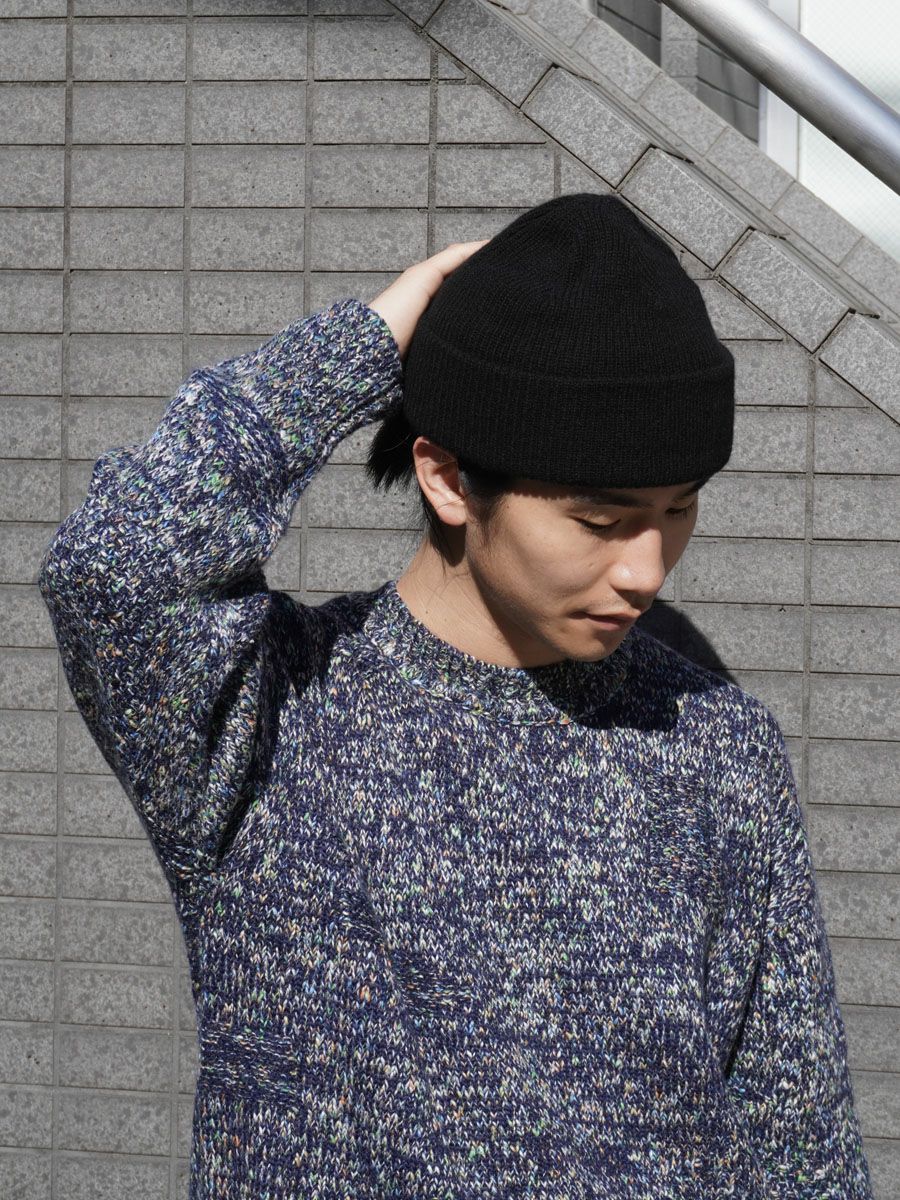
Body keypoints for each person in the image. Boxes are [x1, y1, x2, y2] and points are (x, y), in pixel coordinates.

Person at [38, 193, 873, 1198]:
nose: (647, 570)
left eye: (678, 510)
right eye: (601, 522)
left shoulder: (717, 747)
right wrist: (363, 346)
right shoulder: (276, 713)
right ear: (445, 478)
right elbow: (112, 568)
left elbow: (796, 1135)